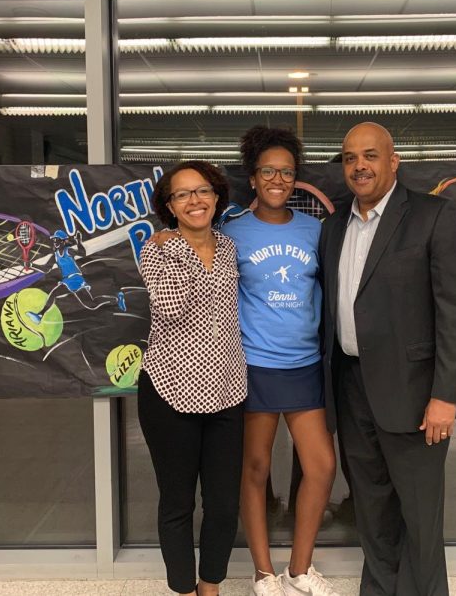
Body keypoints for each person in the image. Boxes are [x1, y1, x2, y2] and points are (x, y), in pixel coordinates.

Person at [318, 122, 456, 596]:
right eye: (350, 158)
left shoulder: (433, 216)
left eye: (370, 155)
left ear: (393, 162)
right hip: (350, 387)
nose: (359, 166)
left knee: (419, 513)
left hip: (415, 394)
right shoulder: (333, 227)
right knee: (370, 505)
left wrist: (446, 397)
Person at [222, 126, 339, 596]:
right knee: (254, 468)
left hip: (305, 365)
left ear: (296, 179)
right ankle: (263, 573)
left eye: (286, 172)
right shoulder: (231, 233)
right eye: (268, 170)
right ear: (253, 177)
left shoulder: (316, 230)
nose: (277, 178)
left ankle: (300, 569)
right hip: (254, 367)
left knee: (322, 465)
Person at [138, 161, 247, 596]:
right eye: (181, 195)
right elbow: (171, 308)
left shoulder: (228, 247)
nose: (194, 200)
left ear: (217, 196)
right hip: (169, 392)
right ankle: (183, 589)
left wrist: (198, 245)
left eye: (202, 191)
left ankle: (210, 585)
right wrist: (179, 247)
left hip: (227, 391)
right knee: (177, 502)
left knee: (223, 505)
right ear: (169, 206)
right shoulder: (155, 250)